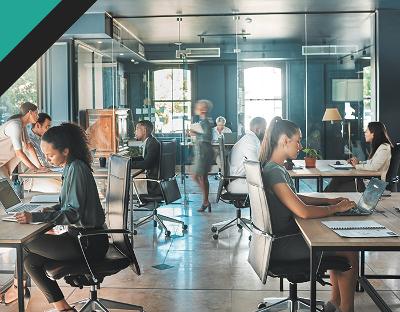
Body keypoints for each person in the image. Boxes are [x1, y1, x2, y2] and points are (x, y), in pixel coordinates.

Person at [0, 123, 109, 311]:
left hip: (88, 243)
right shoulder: (71, 166)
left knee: (24, 244)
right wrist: (50, 209)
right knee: (30, 262)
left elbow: (73, 213)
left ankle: (16, 289)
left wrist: (35, 217)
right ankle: (63, 308)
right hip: (82, 238)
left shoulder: (76, 169)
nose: (48, 159)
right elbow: (69, 204)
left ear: (65, 151)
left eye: (50, 155)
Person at [259, 116, 358, 312]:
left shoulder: (273, 167)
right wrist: (335, 209)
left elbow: (295, 198)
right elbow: (302, 211)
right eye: (298, 140)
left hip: (276, 240)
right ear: (285, 140)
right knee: (347, 249)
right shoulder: (274, 172)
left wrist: (328, 201)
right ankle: (346, 308)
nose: (301, 146)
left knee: (336, 241)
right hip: (282, 244)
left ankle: (335, 303)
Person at [325, 121, 393, 192]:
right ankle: (323, 199)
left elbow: (374, 167)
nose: (365, 133)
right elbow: (371, 163)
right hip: (368, 180)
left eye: (367, 131)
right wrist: (358, 162)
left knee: (335, 186)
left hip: (374, 184)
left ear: (373, 133)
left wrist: (357, 165)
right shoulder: (380, 147)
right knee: (337, 179)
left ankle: (323, 199)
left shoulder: (384, 148)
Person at [0, 102, 44, 179]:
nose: (38, 117)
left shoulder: (22, 126)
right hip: (2, 163)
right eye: (36, 113)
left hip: (3, 164)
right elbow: (19, 153)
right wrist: (35, 169)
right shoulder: (15, 125)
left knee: (8, 188)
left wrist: (39, 167)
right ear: (30, 112)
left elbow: (29, 146)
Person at [227, 117, 267, 194]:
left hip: (241, 179)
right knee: (275, 185)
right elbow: (255, 166)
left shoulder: (251, 139)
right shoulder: (250, 141)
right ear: (257, 129)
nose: (266, 132)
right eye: (265, 129)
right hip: (238, 181)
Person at [24, 112, 62, 193]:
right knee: (61, 188)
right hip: (33, 178)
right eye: (47, 127)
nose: (49, 129)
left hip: (44, 172)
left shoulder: (42, 139)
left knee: (70, 182)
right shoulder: (29, 141)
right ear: (38, 125)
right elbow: (42, 165)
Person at [190, 99, 215, 212]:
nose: (196, 108)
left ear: (203, 110)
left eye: (199, 106)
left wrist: (195, 133)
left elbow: (207, 137)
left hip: (204, 152)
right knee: (200, 177)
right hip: (201, 151)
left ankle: (206, 200)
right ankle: (205, 200)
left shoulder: (206, 121)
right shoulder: (203, 121)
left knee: (198, 176)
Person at [131, 120, 161, 195]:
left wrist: (128, 164)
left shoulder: (152, 144)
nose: (135, 132)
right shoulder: (150, 141)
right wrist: (131, 159)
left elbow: (147, 164)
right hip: (153, 181)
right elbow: (146, 158)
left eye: (137, 129)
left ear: (144, 131)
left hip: (153, 184)